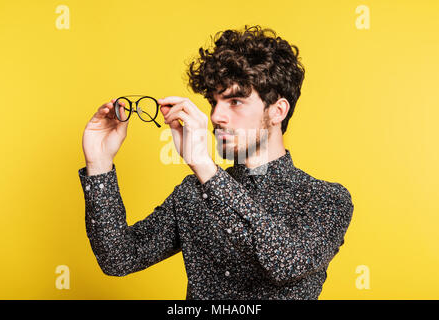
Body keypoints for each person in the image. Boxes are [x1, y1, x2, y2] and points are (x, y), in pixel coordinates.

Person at [78, 25, 354, 299]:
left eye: (235, 101)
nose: (216, 116)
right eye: (213, 102)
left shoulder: (325, 199)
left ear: (277, 110)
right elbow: (119, 259)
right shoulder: (193, 193)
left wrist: (205, 168)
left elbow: (287, 264)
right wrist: (99, 164)